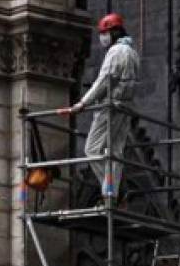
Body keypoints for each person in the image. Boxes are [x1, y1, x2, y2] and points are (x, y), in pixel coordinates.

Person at [58, 12, 141, 202]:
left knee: (93, 150)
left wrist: (82, 104)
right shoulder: (132, 52)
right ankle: (115, 193)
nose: (102, 37)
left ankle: (112, 192)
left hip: (110, 107)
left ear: (115, 32)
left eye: (105, 33)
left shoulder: (117, 52)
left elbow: (104, 81)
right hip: (125, 107)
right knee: (116, 152)